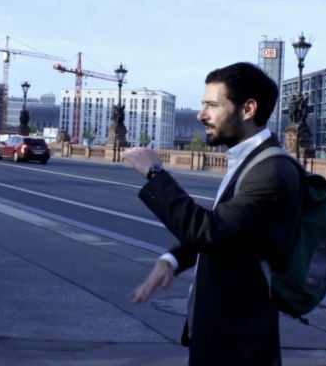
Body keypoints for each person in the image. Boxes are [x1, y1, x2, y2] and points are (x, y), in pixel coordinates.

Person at [123, 62, 302, 366]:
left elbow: (209, 230)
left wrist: (155, 174)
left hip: (239, 345)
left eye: (211, 105)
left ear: (248, 109)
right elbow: (230, 233)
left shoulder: (272, 170)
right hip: (222, 336)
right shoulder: (251, 161)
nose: (200, 114)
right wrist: (173, 259)